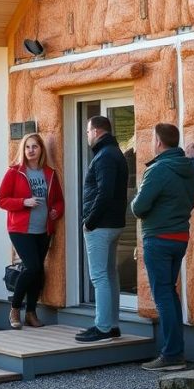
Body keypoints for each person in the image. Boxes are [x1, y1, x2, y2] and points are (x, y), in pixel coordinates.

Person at [132, 123, 194, 371]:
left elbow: (138, 208)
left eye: (152, 139)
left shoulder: (158, 170)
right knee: (168, 292)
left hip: (158, 239)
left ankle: (172, 354)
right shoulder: (188, 167)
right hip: (180, 238)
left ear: (158, 142)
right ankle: (174, 352)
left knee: (163, 294)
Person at [0, 133, 65, 330]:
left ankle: (31, 313)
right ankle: (15, 308)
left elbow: (59, 200)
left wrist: (56, 211)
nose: (31, 150)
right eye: (27, 147)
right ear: (23, 150)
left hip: (43, 229)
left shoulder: (50, 173)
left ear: (41, 149)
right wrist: (23, 202)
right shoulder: (14, 172)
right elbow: (1, 200)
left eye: (35, 147)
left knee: (37, 272)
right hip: (20, 229)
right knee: (33, 268)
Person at [75, 115, 128, 342]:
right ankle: (111, 325)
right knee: (109, 274)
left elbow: (104, 193)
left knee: (99, 277)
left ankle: (103, 327)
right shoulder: (115, 153)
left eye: (87, 132)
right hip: (113, 224)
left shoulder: (105, 156)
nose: (87, 136)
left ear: (96, 131)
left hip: (101, 226)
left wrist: (90, 221)